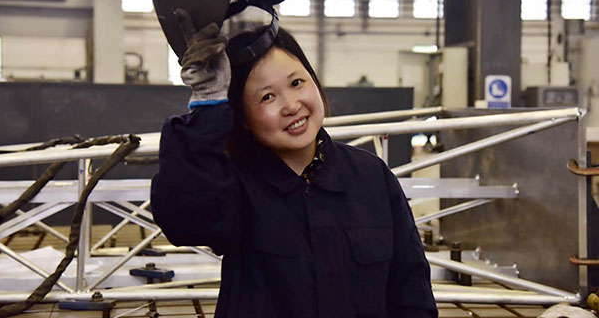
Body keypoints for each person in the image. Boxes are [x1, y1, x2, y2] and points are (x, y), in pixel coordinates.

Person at [151, 17, 438, 317]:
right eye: (267, 97)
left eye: (296, 83)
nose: (291, 105)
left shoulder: (371, 177)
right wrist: (207, 104)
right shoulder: (236, 185)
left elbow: (411, 290)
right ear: (244, 119)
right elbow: (183, 219)